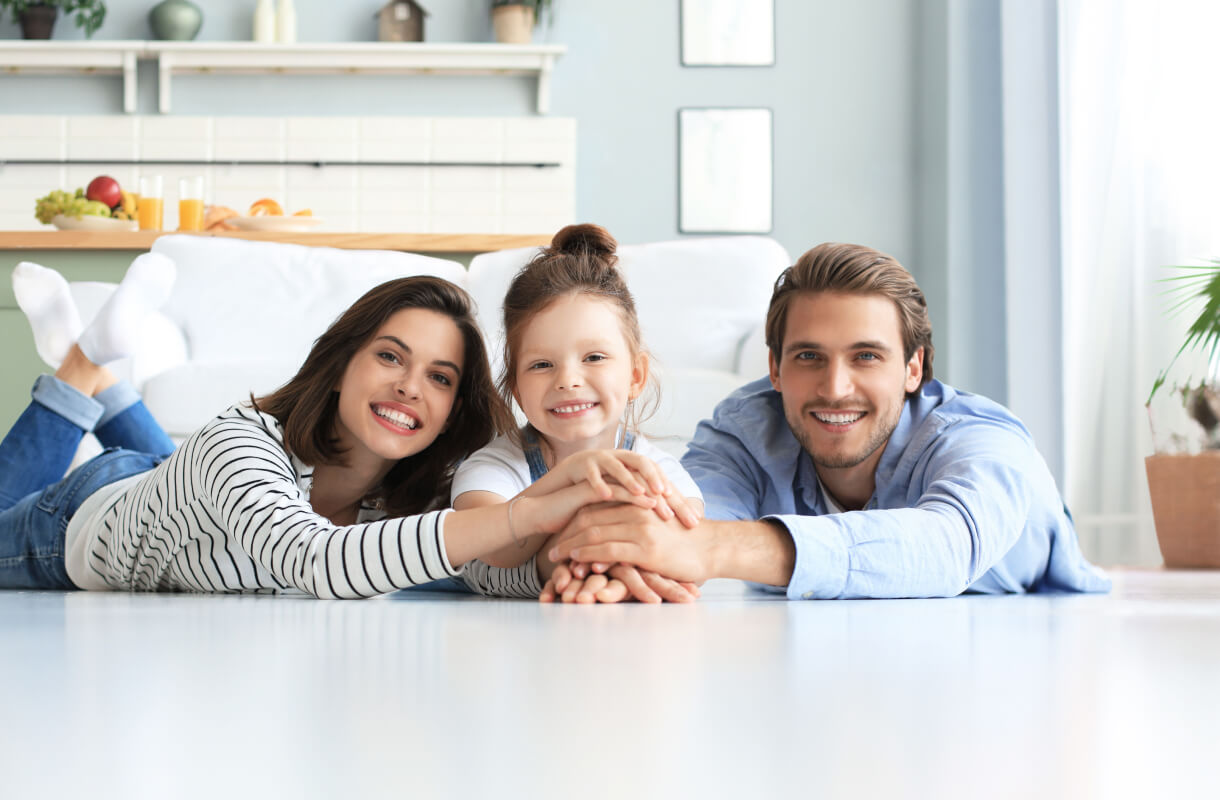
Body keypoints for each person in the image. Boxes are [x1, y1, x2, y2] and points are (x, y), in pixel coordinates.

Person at [0, 258, 661, 598]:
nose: (409, 386)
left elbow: (484, 572)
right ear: (343, 363)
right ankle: (83, 363)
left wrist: (575, 565)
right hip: (84, 520)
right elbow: (314, 560)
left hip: (189, 499)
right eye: (391, 356)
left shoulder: (414, 500)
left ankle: (102, 375)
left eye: (439, 377)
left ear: (454, 411)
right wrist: (527, 515)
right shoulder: (240, 438)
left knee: (179, 477)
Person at [547, 242, 1112, 599]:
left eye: (866, 356)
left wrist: (714, 550)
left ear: (913, 367)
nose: (835, 387)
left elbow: (946, 547)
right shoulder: (744, 431)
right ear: (774, 367)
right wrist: (617, 567)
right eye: (808, 356)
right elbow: (685, 524)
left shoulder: (983, 438)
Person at [450, 223, 705, 604]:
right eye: (541, 364)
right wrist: (582, 494)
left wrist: (610, 570)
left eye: (594, 358)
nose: (568, 380)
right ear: (517, 389)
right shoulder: (491, 470)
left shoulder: (659, 471)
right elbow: (495, 548)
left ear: (636, 375)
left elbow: (686, 546)